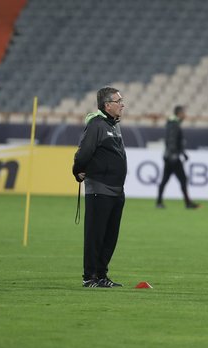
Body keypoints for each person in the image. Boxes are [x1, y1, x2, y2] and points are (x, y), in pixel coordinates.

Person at [72, 86, 127, 288]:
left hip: (116, 191)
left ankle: (102, 275)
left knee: (110, 237)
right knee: (95, 236)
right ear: (107, 105)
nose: (122, 104)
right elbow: (83, 152)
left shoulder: (113, 124)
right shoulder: (96, 124)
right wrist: (77, 169)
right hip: (99, 189)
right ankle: (90, 277)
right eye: (118, 101)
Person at [156, 105, 200, 209]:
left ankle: (159, 202)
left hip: (170, 156)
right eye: (184, 113)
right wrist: (175, 154)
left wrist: (182, 153)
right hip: (173, 157)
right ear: (179, 113)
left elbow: (173, 140)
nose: (185, 115)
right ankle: (188, 203)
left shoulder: (172, 123)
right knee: (183, 179)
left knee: (165, 180)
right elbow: (172, 140)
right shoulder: (174, 124)